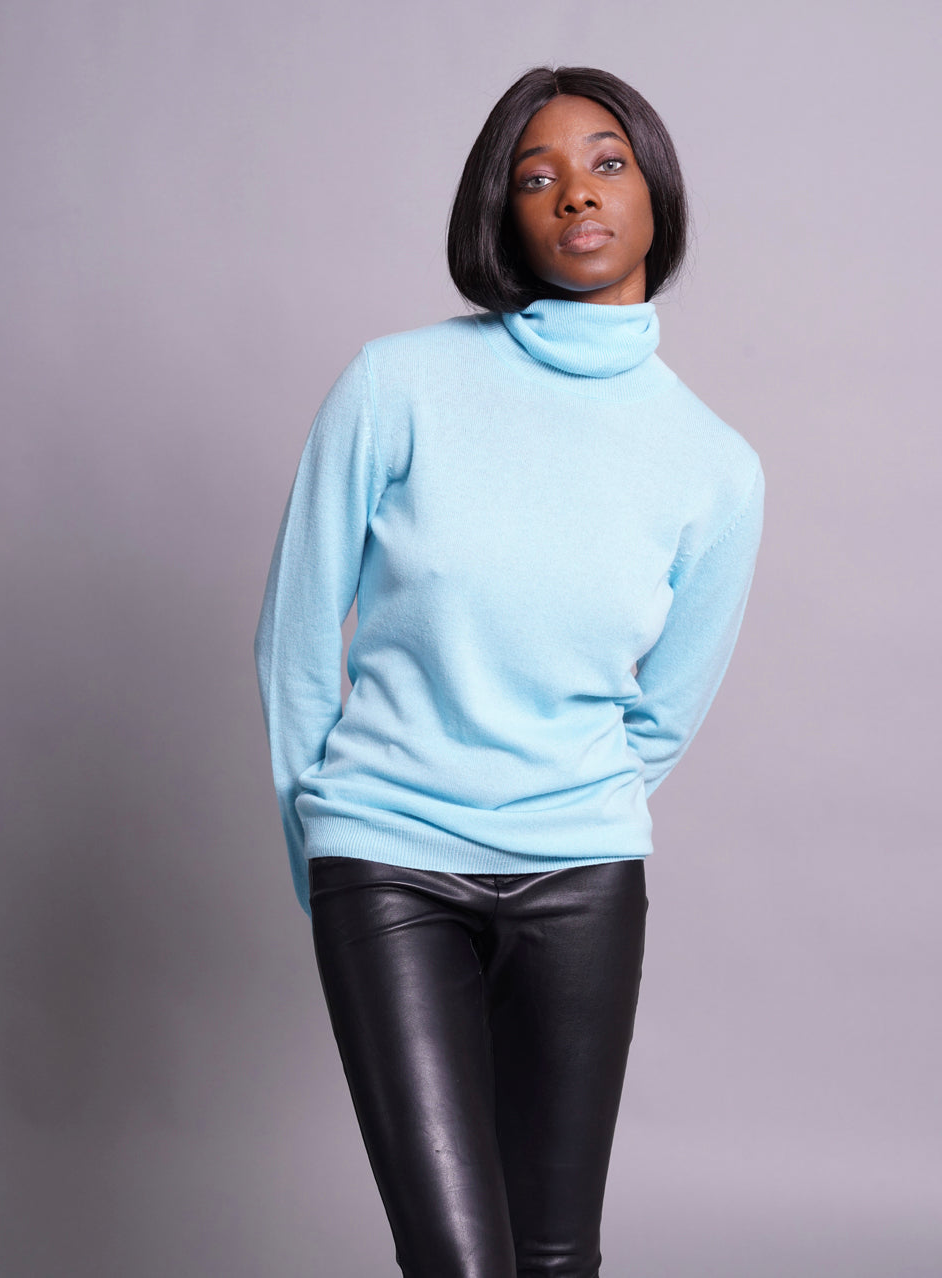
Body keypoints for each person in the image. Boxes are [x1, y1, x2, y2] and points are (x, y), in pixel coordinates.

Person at [254, 64, 764, 1278]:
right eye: (537, 177)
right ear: (501, 213)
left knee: (554, 1258)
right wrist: (323, 850)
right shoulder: (396, 384)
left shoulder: (715, 467)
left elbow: (664, 714)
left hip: (581, 881)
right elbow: (294, 640)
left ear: (654, 193)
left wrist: (561, 796)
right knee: (459, 1261)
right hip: (387, 860)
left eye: (605, 163)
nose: (575, 194)